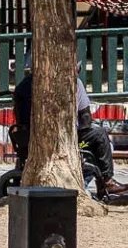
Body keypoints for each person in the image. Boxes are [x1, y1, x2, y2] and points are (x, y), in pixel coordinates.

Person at [12, 65, 127, 198]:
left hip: (28, 136)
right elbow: (85, 117)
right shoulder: (74, 82)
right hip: (63, 137)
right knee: (99, 136)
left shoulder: (24, 85)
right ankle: (106, 182)